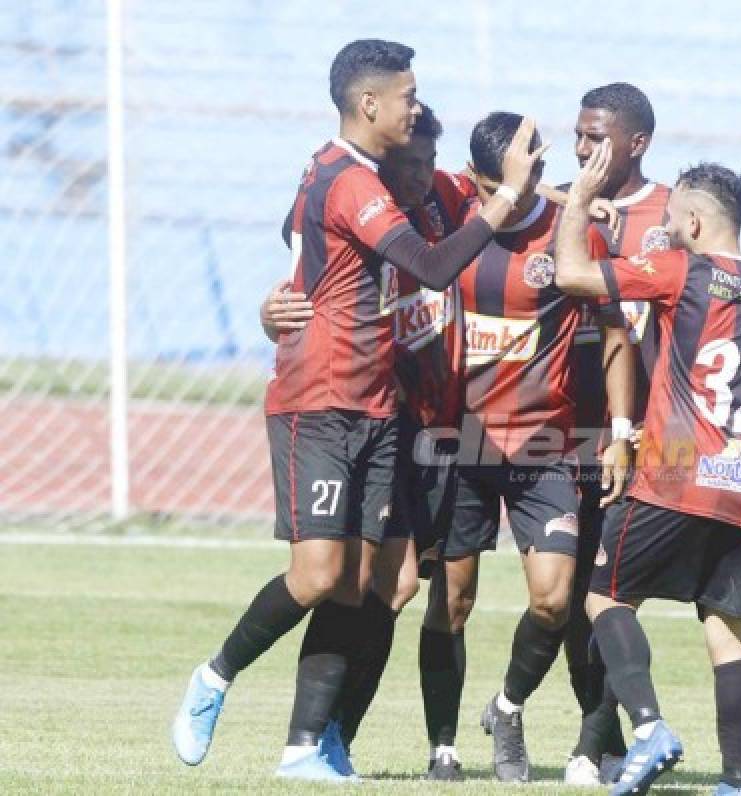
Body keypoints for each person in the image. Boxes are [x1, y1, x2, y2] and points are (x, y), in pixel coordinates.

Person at [170, 40, 544, 782]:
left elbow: (304, 244)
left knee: (380, 583)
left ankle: (309, 746)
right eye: (407, 93)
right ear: (369, 104)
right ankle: (213, 677)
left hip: (382, 409)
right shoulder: (351, 182)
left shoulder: (396, 181)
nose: (415, 103)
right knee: (318, 577)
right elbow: (432, 265)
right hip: (323, 401)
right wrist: (276, 308)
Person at [557, 146, 741, 796]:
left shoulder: (682, 273)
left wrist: (579, 198)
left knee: (605, 597)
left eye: (670, 220)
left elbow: (574, 275)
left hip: (674, 476)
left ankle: (647, 730)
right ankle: (735, 783)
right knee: (728, 633)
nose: (664, 229)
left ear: (694, 222)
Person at [416, 111, 635, 784]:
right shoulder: (450, 219)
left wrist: (622, 432)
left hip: (548, 445)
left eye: (537, 169)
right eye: (512, 175)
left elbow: (617, 333)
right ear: (480, 178)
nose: (529, 183)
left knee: (553, 600)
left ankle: (506, 708)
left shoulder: (573, 234)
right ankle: (444, 748)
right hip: (462, 443)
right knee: (451, 601)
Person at [259, 102, 473, 767]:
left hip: (439, 418)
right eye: (408, 165)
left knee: (402, 584)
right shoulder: (360, 195)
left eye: (429, 163)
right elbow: (304, 249)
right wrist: (276, 310)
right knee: (360, 577)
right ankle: (315, 736)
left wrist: (576, 197)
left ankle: (332, 738)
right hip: (381, 412)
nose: (421, 177)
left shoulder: (443, 196)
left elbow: (493, 182)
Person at [560, 81, 672, 787]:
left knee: (615, 588)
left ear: (636, 144)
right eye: (578, 134)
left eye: (595, 137)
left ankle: (592, 745)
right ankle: (597, 741)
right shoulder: (560, 204)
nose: (582, 148)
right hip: (569, 423)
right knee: (573, 593)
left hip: (645, 431)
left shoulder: (673, 213)